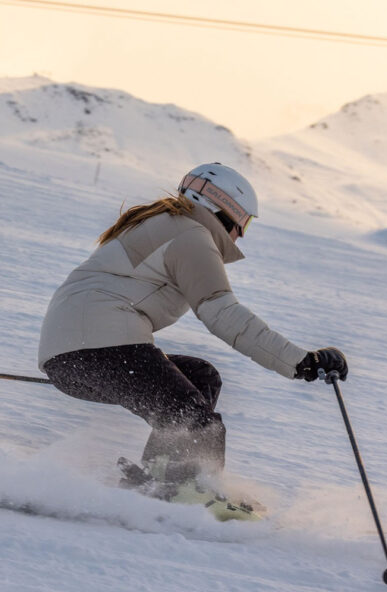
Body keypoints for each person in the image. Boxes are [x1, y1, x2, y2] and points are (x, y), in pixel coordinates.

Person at [38, 163, 348, 489]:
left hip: (73, 355)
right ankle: (196, 492)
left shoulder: (165, 225)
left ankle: (164, 479)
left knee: (200, 377)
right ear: (225, 210)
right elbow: (223, 315)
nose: (242, 234)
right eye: (245, 222)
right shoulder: (190, 235)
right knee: (195, 421)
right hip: (96, 349)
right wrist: (301, 362)